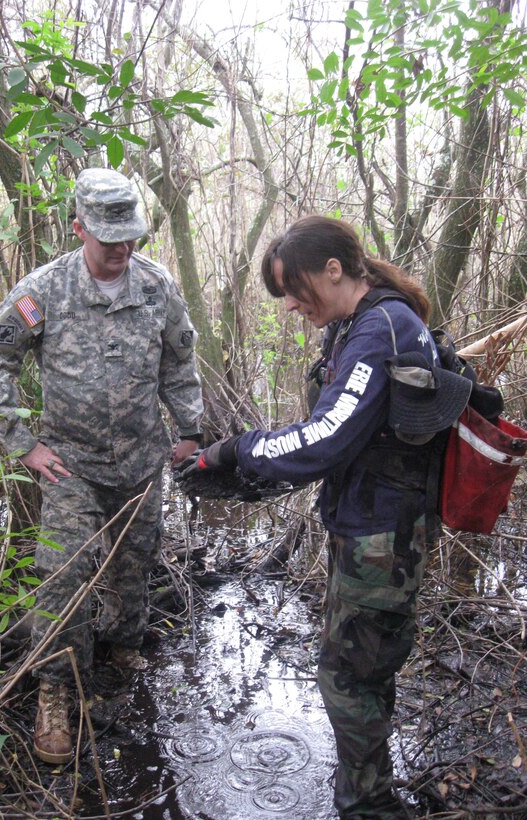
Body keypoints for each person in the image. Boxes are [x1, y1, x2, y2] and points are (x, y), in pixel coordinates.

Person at [176, 215, 472, 820]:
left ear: (333, 270)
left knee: (348, 678)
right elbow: (344, 437)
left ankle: (368, 806)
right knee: (363, 669)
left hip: (382, 538)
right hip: (369, 525)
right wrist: (246, 474)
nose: (288, 305)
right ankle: (366, 786)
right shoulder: (356, 325)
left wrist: (237, 450)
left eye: (293, 288)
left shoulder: (380, 328)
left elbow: (326, 437)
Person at [0, 168, 204, 765]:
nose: (122, 250)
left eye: (130, 238)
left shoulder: (157, 289)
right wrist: (20, 442)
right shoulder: (42, 291)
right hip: (69, 464)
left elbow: (180, 361)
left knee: (136, 561)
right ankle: (55, 688)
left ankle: (123, 649)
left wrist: (190, 429)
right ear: (78, 229)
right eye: (109, 239)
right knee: (62, 573)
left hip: (141, 460)